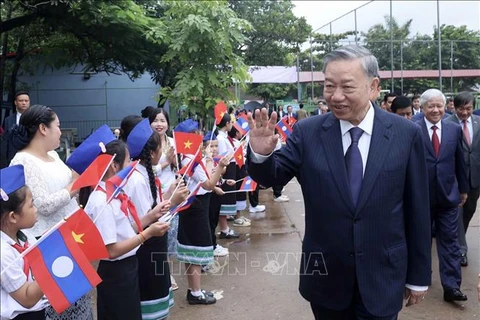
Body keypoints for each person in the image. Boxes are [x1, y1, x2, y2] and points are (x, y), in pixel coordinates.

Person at [247, 45, 431, 319]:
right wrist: (261, 154)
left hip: (383, 276)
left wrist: (418, 276)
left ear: (374, 87)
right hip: (326, 278)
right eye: (329, 86)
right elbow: (273, 176)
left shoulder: (406, 134)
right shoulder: (308, 133)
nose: (336, 96)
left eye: (347, 87)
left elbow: (418, 210)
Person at [9, 105, 93, 319]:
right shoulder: (22, 161)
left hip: (70, 235)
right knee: (58, 305)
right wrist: (75, 187)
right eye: (58, 126)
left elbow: (68, 184)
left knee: (79, 302)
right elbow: (43, 205)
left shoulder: (54, 156)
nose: (60, 131)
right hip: (47, 242)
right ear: (43, 129)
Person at [83, 139, 170, 320]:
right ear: (115, 166)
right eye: (129, 160)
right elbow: (111, 250)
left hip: (127, 268)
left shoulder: (113, 194)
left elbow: (123, 230)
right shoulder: (102, 201)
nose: (132, 164)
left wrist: (151, 215)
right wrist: (147, 234)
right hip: (116, 273)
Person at [415, 88, 469, 302]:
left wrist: (463, 189)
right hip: (421, 197)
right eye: (431, 106)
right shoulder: (412, 129)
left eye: (439, 106)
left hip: (448, 196)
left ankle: (452, 286)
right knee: (420, 240)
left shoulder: (454, 129)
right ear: (422, 107)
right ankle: (420, 279)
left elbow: (459, 161)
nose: (436, 110)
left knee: (450, 242)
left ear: (445, 106)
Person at [1, 165, 49, 319]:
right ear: (13, 217)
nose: (36, 210)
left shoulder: (24, 236)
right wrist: (55, 262)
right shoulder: (3, 253)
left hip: (37, 311)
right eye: (31, 205)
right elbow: (27, 298)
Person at [445, 92, 480, 267]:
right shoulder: (446, 124)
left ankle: (459, 239)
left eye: (468, 108)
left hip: (475, 177)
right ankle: (460, 250)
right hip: (455, 178)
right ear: (454, 107)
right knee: (457, 214)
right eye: (461, 109)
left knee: (469, 211)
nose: (465, 112)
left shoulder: (478, 122)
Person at [2, 91, 31, 166]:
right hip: (13, 157)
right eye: (21, 101)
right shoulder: (8, 120)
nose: (24, 103)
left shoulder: (35, 119)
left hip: (31, 156)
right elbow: (6, 141)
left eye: (26, 101)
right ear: (15, 102)